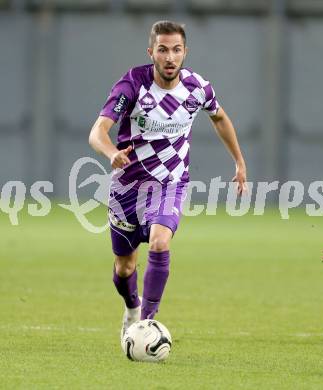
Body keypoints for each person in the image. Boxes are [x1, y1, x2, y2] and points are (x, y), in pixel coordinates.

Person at [89, 20, 247, 338]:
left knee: (161, 242)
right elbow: (98, 131)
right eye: (163, 50)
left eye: (176, 50)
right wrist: (111, 154)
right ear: (152, 52)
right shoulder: (132, 84)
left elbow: (219, 117)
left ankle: (146, 322)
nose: (170, 57)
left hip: (170, 183)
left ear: (185, 52)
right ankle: (132, 306)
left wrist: (239, 162)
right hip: (127, 189)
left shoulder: (197, 88)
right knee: (124, 267)